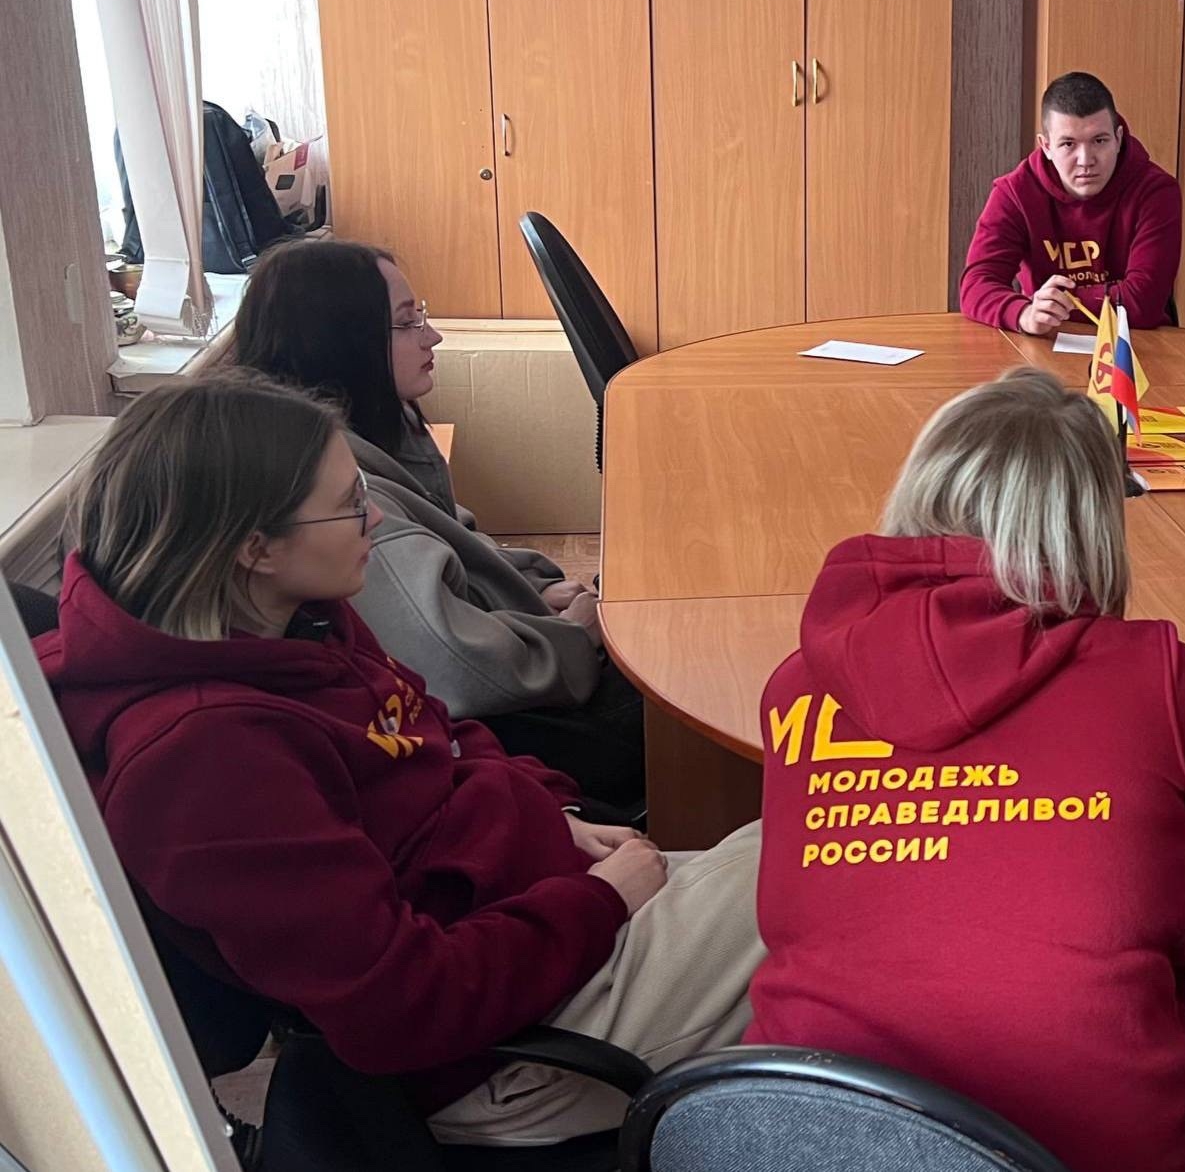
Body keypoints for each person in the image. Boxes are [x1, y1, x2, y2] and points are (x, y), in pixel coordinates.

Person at [37, 372, 763, 1145]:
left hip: (542, 927)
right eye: (350, 503)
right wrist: (601, 902)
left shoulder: (298, 624)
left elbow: (438, 734)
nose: (375, 517)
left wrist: (558, 814)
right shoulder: (203, 761)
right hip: (509, 1049)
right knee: (838, 871)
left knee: (827, 845)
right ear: (256, 548)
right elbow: (400, 1008)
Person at [748, 368, 1185, 1172]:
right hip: (1087, 1153)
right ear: (1092, 526)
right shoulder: (1152, 676)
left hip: (802, 1137)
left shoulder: (797, 688)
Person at [229, 238, 643, 808]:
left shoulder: (374, 426)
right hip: (497, 724)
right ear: (343, 340)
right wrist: (577, 636)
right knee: (682, 679)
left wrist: (527, 586)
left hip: (486, 692)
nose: (433, 336)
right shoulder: (341, 493)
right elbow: (457, 662)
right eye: (407, 322)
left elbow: (450, 541)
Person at [960, 71, 1183, 335]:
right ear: (1046, 146)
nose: (1086, 160)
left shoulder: (1156, 191)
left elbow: (1142, 303)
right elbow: (976, 285)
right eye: (1068, 144)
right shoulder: (1015, 193)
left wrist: (1055, 304)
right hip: (1045, 338)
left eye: (1099, 141)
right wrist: (1024, 314)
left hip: (1135, 344)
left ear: (1118, 138)